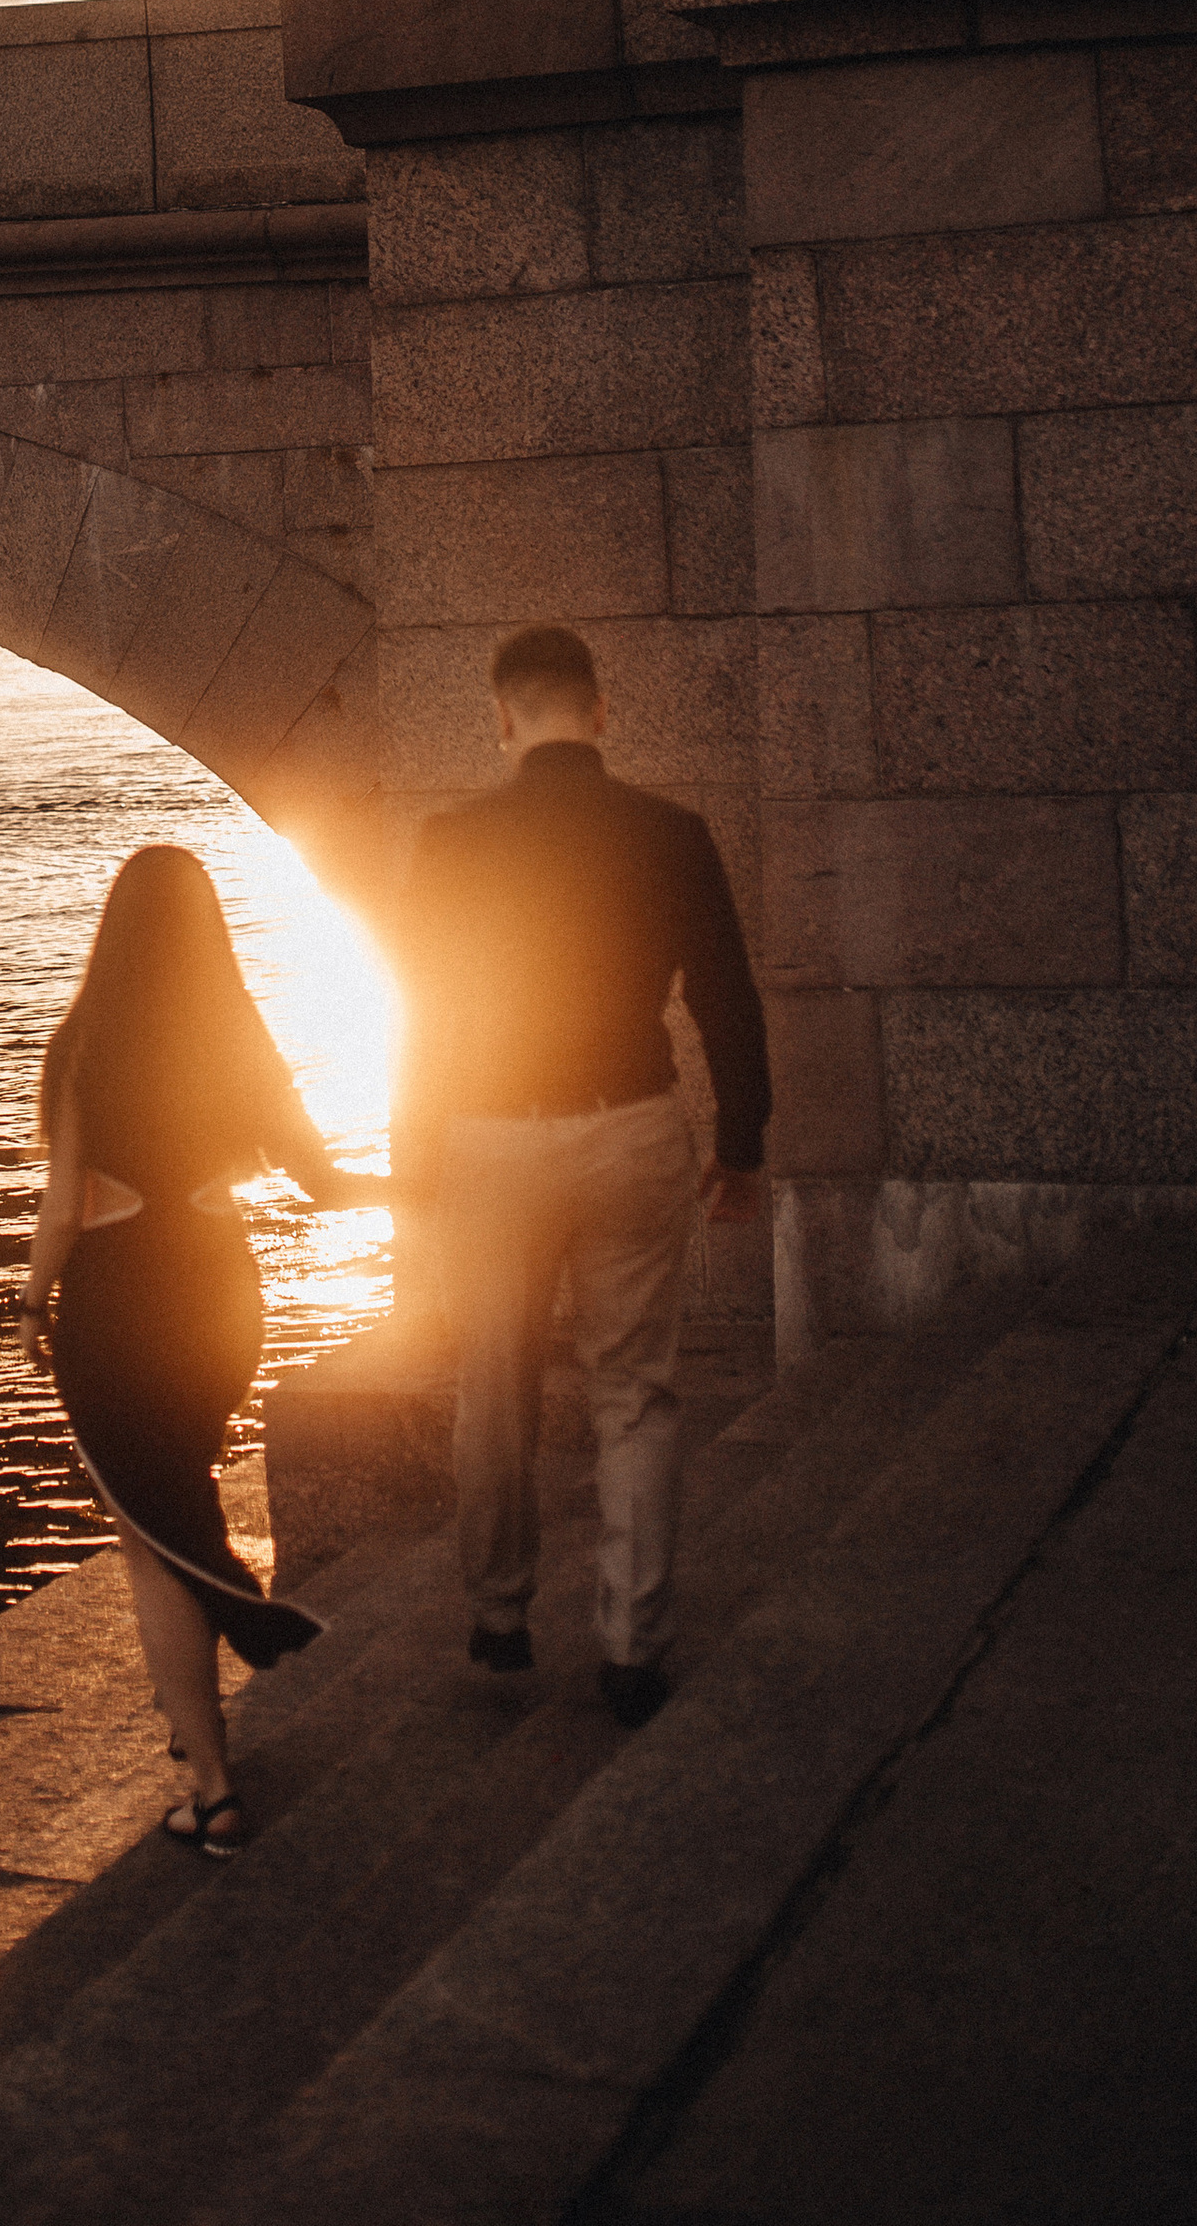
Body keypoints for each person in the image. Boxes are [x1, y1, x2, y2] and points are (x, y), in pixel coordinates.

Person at [389, 626, 770, 1730]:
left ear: (501, 719)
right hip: (629, 1125)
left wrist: (415, 1165)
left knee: (493, 1382)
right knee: (635, 1394)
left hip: (490, 1137)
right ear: (600, 713)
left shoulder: (453, 839)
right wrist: (739, 1143)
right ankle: (630, 1652)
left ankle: (500, 1618)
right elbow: (725, 1003)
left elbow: (421, 1020)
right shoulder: (670, 833)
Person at [17, 844, 385, 1859]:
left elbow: (61, 1206)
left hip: (118, 1304)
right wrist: (417, 1187)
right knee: (181, 1498)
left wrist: (30, 1302)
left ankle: (214, 1785)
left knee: (151, 1540)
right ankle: (209, 1708)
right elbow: (315, 1179)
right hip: (222, 1300)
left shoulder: (84, 1042)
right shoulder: (239, 1032)